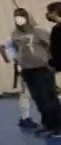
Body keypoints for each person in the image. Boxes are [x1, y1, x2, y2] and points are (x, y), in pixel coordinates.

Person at [5, 8, 61, 137]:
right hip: (27, 70)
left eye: (22, 16)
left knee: (48, 97)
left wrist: (51, 61)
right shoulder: (15, 35)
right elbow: (13, 49)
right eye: (16, 16)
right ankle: (47, 123)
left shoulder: (39, 32)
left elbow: (52, 46)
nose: (19, 19)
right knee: (38, 99)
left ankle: (57, 125)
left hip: (42, 68)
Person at [0, 37, 37, 129]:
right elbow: (1, 47)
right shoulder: (15, 36)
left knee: (32, 94)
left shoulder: (32, 35)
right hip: (25, 68)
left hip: (33, 67)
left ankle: (27, 118)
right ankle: (24, 118)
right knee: (26, 94)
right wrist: (8, 59)